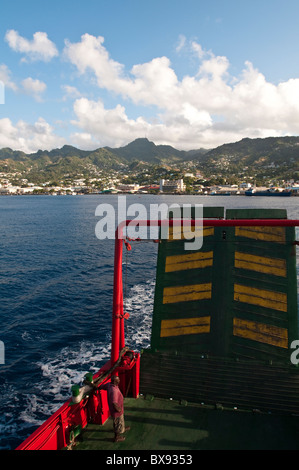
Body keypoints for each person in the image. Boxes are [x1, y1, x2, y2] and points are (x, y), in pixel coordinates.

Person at [103, 375, 130, 442]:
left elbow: (102, 386)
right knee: (118, 423)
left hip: (115, 410)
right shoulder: (114, 391)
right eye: (118, 380)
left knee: (118, 422)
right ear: (115, 381)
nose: (119, 380)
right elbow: (114, 403)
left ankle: (122, 428)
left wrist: (96, 386)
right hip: (117, 412)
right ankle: (116, 437)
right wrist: (119, 410)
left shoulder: (109, 385)